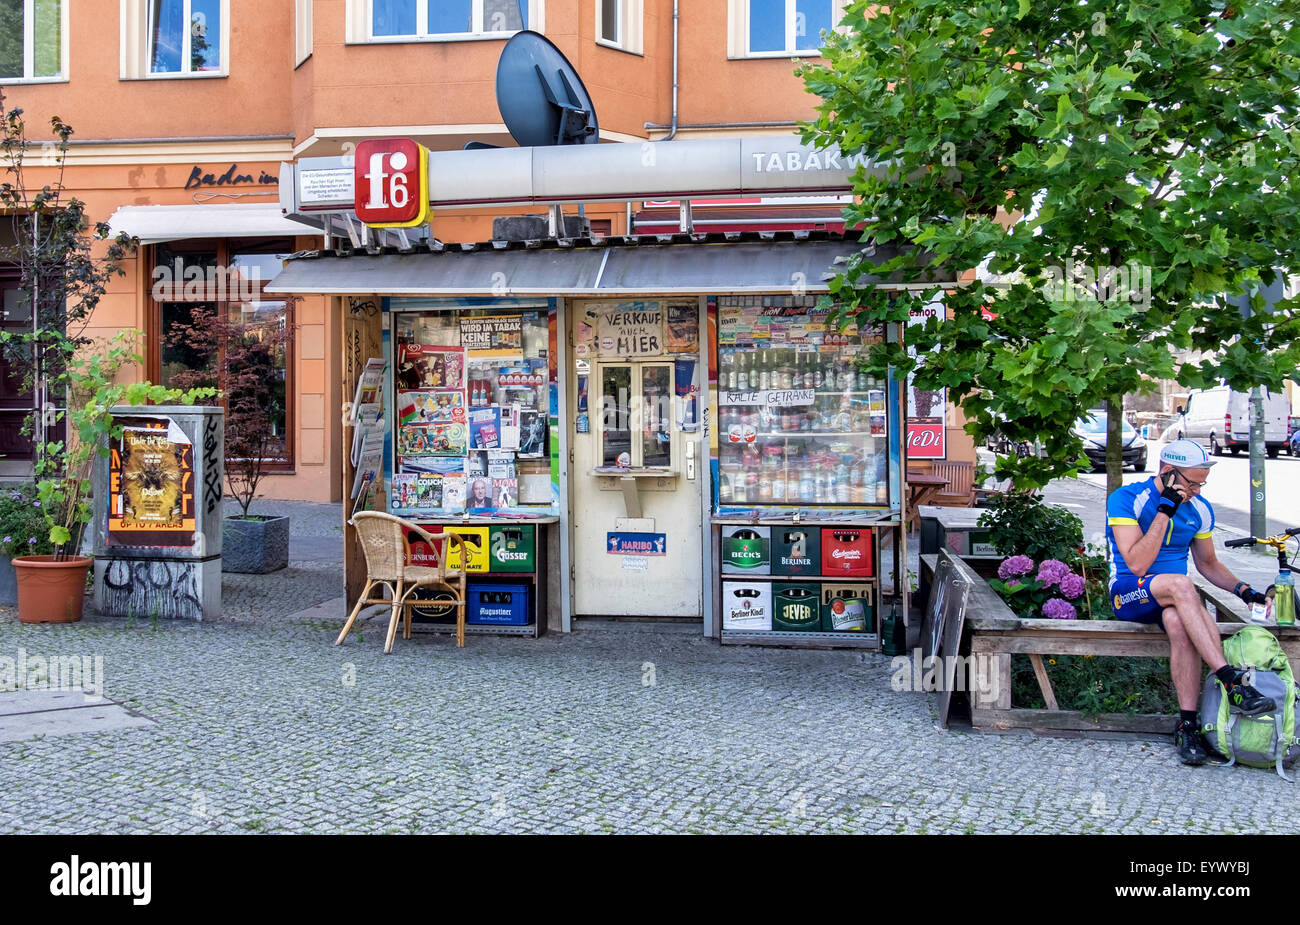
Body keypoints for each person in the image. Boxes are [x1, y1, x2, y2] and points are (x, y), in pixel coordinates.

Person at [1107, 439, 1275, 765]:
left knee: (1177, 622)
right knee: (1183, 585)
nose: (1197, 491)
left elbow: (1208, 564)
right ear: (1169, 472)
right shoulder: (1126, 499)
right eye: (1193, 484)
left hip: (1173, 598)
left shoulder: (1200, 508)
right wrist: (1163, 513)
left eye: (1202, 484)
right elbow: (1138, 564)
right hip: (1128, 593)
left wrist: (1244, 590)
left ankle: (1187, 725)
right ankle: (1231, 681)